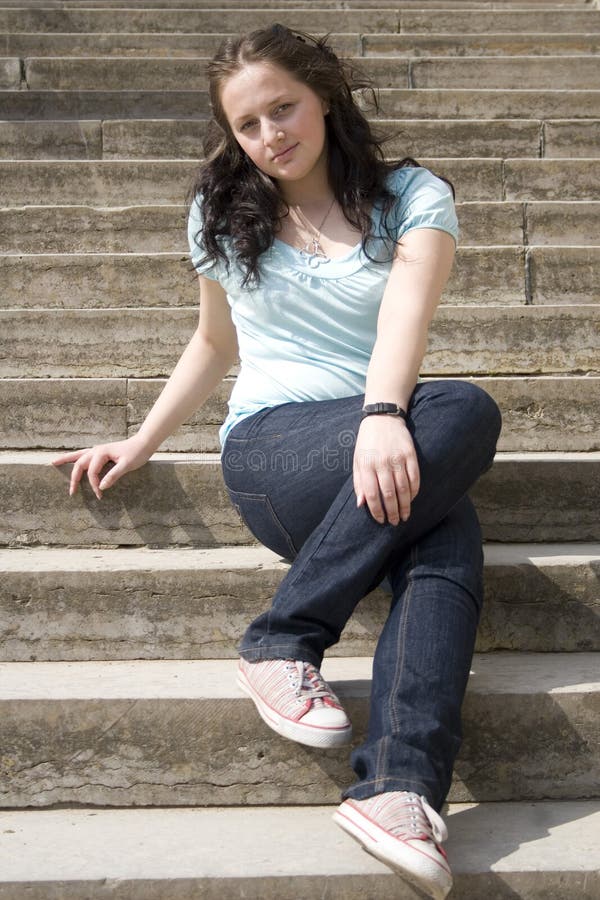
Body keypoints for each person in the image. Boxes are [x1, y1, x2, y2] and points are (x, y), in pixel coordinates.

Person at [53, 25, 502, 900]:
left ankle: (399, 788)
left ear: (324, 95)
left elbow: (406, 318)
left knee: (444, 523)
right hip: (275, 451)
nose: (271, 136)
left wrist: (381, 415)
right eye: (248, 124)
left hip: (382, 435)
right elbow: (214, 341)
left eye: (283, 108)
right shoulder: (222, 210)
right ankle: (283, 639)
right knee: (463, 416)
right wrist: (141, 441)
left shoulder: (413, 195)